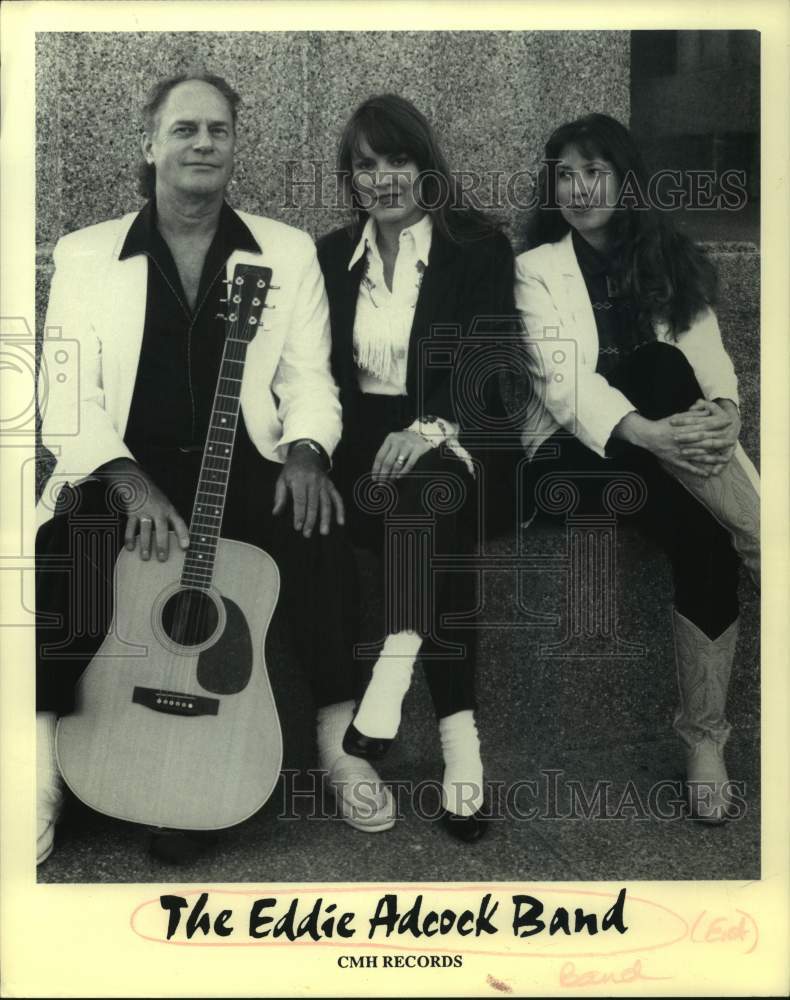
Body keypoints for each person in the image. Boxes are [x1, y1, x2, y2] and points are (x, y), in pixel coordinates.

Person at [35, 72, 396, 865]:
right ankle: (42, 762)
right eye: (185, 129)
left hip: (243, 463)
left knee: (317, 528)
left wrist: (306, 451)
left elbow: (308, 378)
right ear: (150, 144)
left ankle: (341, 740)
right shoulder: (87, 255)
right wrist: (127, 482)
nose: (203, 143)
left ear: (236, 145)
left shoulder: (285, 250)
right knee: (73, 543)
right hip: (125, 467)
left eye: (218, 131)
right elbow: (63, 394)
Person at [514, 112, 760, 824]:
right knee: (653, 368)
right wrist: (650, 431)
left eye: (595, 171)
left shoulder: (667, 258)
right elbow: (563, 383)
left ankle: (705, 740)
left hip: (668, 454)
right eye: (566, 173)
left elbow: (708, 360)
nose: (580, 187)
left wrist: (726, 410)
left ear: (625, 179)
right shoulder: (533, 270)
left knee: (705, 535)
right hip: (572, 459)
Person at [316, 94, 516, 843]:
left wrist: (427, 427)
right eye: (366, 165)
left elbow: (484, 363)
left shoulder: (476, 247)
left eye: (397, 159)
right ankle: (462, 754)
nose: (384, 178)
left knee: (432, 494)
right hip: (360, 450)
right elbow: (313, 372)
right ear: (350, 178)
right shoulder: (330, 256)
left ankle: (394, 673)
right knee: (428, 525)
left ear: (424, 164)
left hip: (459, 435)